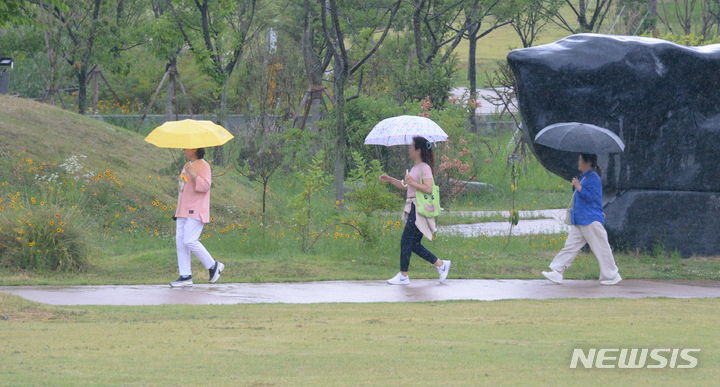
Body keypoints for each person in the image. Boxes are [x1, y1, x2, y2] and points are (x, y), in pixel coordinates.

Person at [379, 136, 451, 285]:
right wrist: (391, 180)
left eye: (412, 147)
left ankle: (404, 276)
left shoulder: (424, 167)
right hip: (412, 206)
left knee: (407, 240)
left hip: (418, 208)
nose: (409, 149)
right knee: (413, 244)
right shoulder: (414, 168)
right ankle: (441, 264)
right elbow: (407, 186)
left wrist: (413, 182)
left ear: (418, 150)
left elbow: (428, 188)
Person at [542, 153, 621, 286]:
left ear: (588, 163)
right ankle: (557, 271)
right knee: (570, 246)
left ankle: (612, 275)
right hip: (580, 219)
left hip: (590, 220)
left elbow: (593, 198)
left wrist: (579, 187)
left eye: (580, 160)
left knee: (602, 248)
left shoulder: (593, 178)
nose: (578, 163)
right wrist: (577, 186)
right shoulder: (584, 178)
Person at [170, 148, 224, 287]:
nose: (183, 150)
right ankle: (185, 276)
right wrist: (182, 179)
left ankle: (213, 265)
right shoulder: (187, 165)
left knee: (189, 240)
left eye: (186, 148)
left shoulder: (204, 165)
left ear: (194, 149)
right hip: (182, 210)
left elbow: (205, 186)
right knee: (180, 242)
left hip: (196, 209)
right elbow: (182, 186)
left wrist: (193, 174)